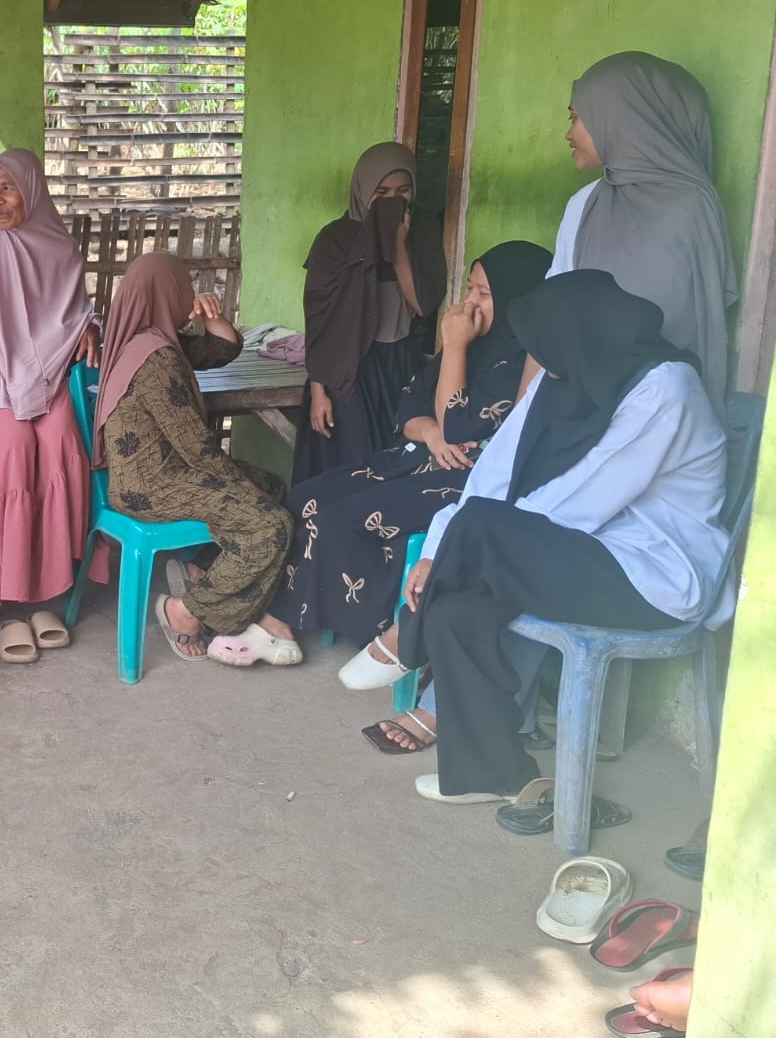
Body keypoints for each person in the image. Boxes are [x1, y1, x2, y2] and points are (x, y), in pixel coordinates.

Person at [354, 272, 730, 804]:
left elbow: (583, 500)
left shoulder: (667, 388)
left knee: (481, 528)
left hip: (654, 577)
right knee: (456, 608)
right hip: (580, 553)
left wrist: (472, 543)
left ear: (576, 333)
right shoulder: (568, 374)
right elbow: (494, 475)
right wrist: (442, 551)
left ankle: (404, 638)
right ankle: (494, 775)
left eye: (545, 346)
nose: (541, 363)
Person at [258, 241, 553, 747]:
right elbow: (411, 406)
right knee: (305, 496)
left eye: (484, 293)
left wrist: (454, 350)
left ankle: (370, 630)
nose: (469, 303)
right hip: (417, 458)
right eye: (470, 288)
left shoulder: (525, 361)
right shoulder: (474, 342)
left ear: (518, 298)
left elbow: (463, 426)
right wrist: (430, 432)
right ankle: (292, 616)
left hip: (464, 479)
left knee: (341, 517)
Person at [95, 251, 299, 668]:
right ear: (164, 292)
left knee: (273, 486)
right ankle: (186, 610)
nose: (187, 296)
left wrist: (213, 317)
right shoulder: (156, 359)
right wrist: (238, 482)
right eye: (182, 287)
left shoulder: (152, 340)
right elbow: (195, 444)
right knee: (271, 523)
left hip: (163, 475)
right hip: (152, 486)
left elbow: (221, 350)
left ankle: (202, 572)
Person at [0, 148, 98, 619]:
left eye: (7, 188)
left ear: (32, 192)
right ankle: (9, 574)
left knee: (61, 440)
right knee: (15, 447)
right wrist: (2, 383)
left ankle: (59, 572)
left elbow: (75, 315)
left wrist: (90, 328)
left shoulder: (62, 250)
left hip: (53, 374)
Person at [554, 51, 736, 405]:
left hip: (660, 404)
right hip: (581, 397)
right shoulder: (584, 203)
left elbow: (692, 328)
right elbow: (556, 307)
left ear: (620, 117)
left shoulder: (692, 207)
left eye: (576, 118)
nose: (568, 134)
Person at [293, 142, 447, 483]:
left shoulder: (420, 234)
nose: (393, 200)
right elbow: (319, 320)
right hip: (347, 370)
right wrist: (319, 391)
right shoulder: (334, 241)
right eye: (381, 192)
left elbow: (422, 305)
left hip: (399, 365)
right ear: (363, 191)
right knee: (351, 462)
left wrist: (398, 246)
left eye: (403, 191)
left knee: (396, 460)